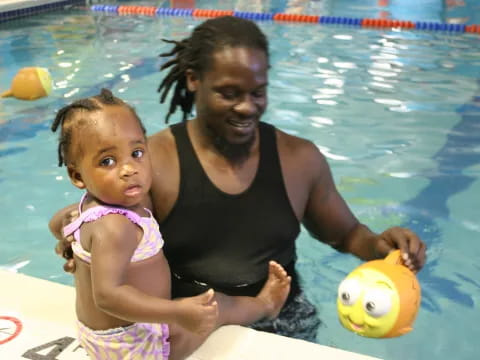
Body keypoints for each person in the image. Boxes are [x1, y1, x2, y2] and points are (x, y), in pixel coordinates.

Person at [52, 16, 427, 343]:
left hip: (281, 314)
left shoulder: (300, 160)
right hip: (191, 319)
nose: (247, 107)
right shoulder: (155, 160)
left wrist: (386, 250)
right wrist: (79, 242)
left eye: (257, 93)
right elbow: (107, 219)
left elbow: (346, 235)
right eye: (229, 94)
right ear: (194, 79)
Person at [49, 88, 291, 359]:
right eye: (108, 161)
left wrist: (69, 241)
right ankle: (265, 305)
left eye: (137, 152)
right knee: (218, 306)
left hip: (101, 335)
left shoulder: (87, 208)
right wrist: (179, 312)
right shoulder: (115, 226)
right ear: (77, 175)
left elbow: (57, 223)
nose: (129, 169)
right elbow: (107, 295)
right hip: (134, 348)